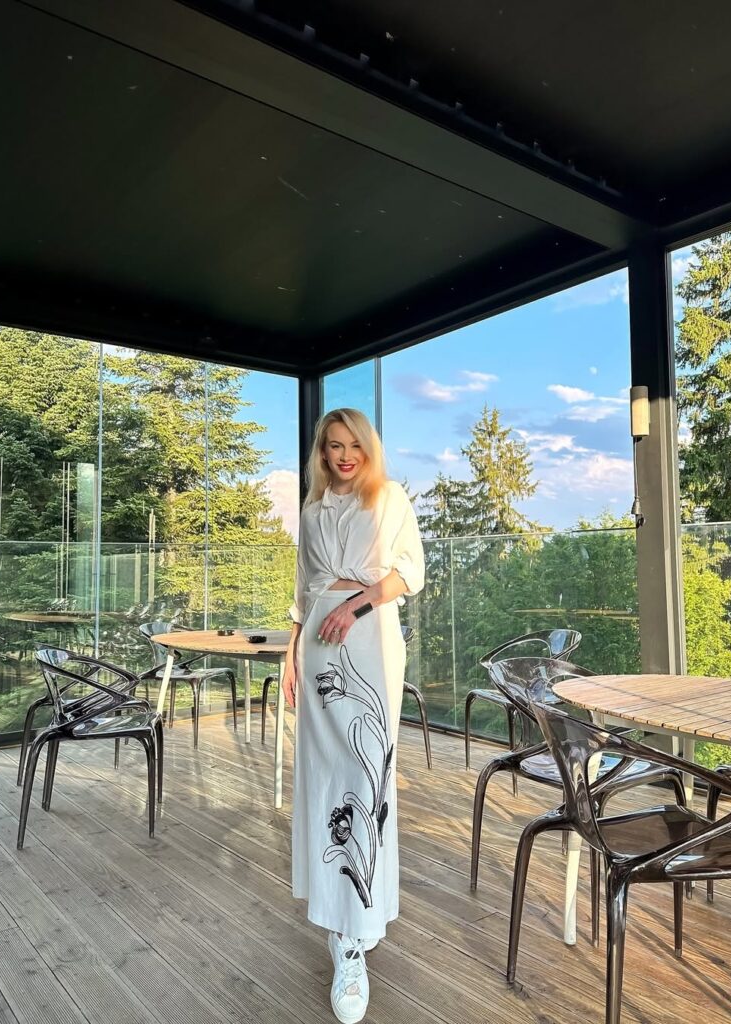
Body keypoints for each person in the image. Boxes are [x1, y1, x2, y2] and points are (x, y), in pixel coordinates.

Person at [282, 408, 424, 1024]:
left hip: (369, 643)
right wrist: (291, 655)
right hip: (318, 643)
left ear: (368, 449)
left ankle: (360, 923)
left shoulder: (388, 498)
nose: (344, 456)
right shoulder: (313, 510)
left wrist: (356, 606)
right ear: (321, 453)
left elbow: (410, 573)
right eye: (333, 446)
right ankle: (342, 937)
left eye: (353, 446)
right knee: (325, 779)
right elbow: (303, 591)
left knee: (369, 777)